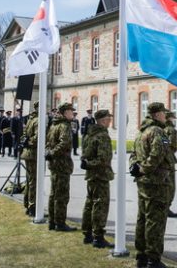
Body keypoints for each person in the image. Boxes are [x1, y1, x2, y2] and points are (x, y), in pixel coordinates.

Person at [132, 102, 175, 268]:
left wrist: (136, 167)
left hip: (143, 183)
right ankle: (153, 259)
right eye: (163, 113)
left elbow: (134, 155)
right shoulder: (157, 131)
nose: (165, 116)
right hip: (156, 183)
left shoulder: (141, 131)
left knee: (142, 219)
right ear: (157, 114)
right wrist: (144, 169)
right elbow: (158, 154)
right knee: (155, 222)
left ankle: (141, 256)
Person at [81, 109, 114, 249]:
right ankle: (98, 237)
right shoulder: (102, 136)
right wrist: (91, 164)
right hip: (100, 175)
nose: (110, 120)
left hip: (91, 175)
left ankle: (87, 233)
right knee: (100, 205)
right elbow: (103, 159)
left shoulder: (89, 134)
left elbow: (85, 156)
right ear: (102, 120)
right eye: (108, 118)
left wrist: (88, 164)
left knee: (90, 204)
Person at [45, 102, 77, 231]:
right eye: (70, 111)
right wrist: (52, 153)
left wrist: (49, 152)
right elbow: (64, 143)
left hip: (54, 164)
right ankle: (60, 223)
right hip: (62, 164)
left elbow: (48, 143)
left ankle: (52, 222)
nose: (72, 113)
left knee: (54, 194)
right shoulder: (64, 125)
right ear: (64, 113)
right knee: (62, 195)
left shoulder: (54, 124)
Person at [21, 101, 40, 216]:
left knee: (29, 180)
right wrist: (29, 142)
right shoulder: (37, 120)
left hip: (28, 153)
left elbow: (24, 135)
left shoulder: (30, 119)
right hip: (33, 153)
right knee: (33, 181)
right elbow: (37, 137)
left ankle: (28, 203)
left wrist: (26, 142)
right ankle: (32, 206)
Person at [164, 110, 177, 219]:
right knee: (170, 186)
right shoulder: (171, 130)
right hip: (168, 160)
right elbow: (173, 147)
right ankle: (167, 208)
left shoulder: (159, 128)